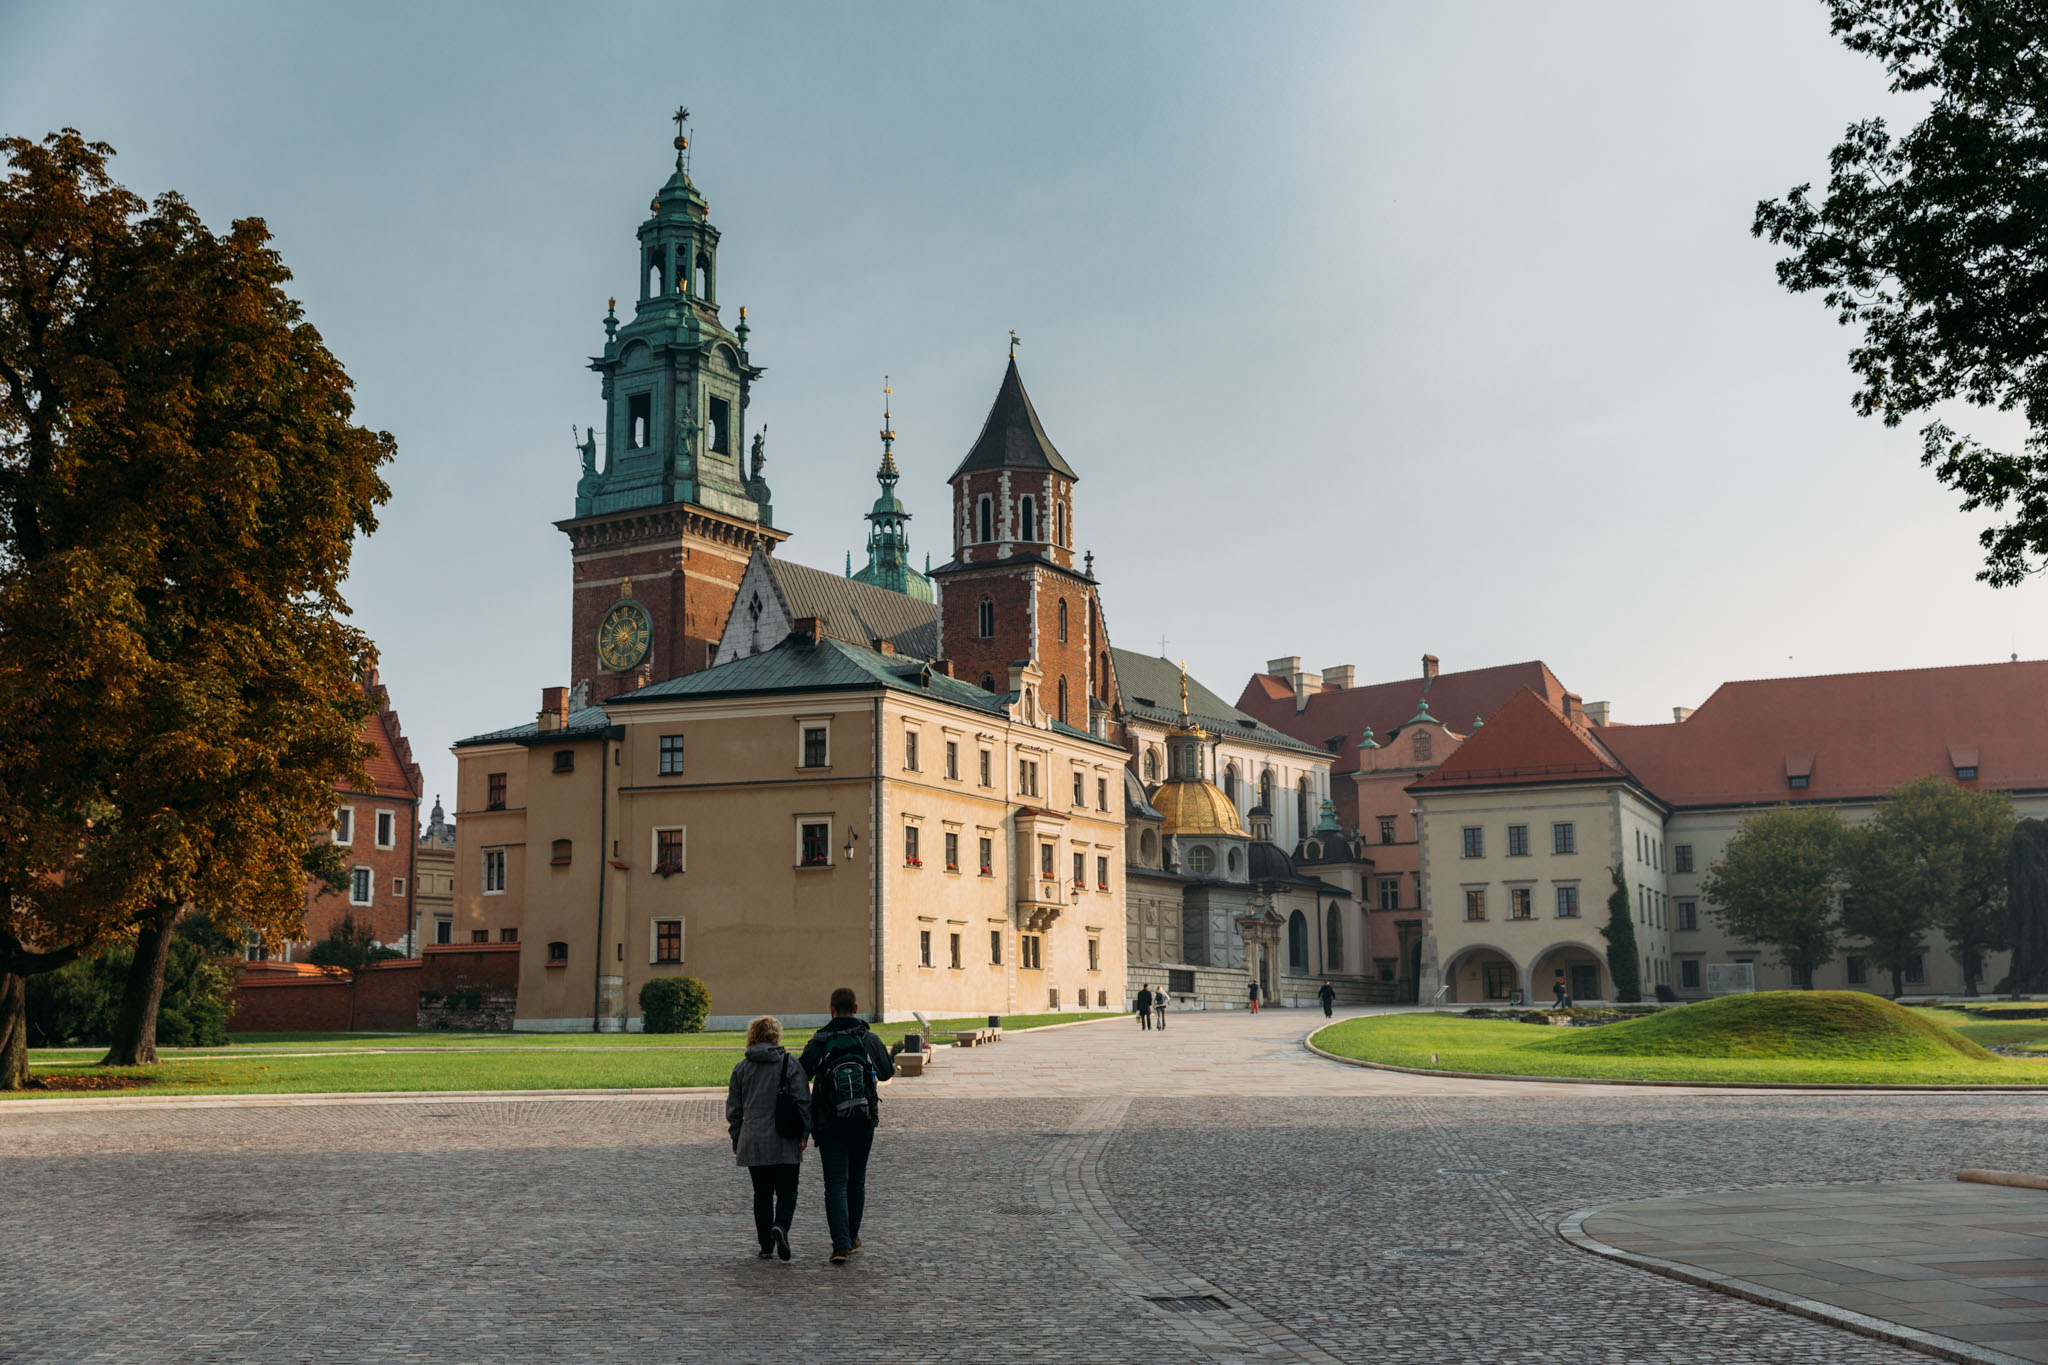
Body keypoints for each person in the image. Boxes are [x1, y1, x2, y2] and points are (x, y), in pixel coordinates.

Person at [799, 986, 896, 1265]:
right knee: (856, 1180)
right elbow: (888, 1072)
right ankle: (852, 1237)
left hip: (828, 1121)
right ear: (856, 1009)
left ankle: (840, 1244)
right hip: (863, 1120)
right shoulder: (868, 1038)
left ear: (831, 1009)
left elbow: (801, 1073)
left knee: (835, 1183)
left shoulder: (820, 1040)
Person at [725, 1015, 810, 1262]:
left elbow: (734, 1110)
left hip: (753, 1138)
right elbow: (803, 1100)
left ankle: (765, 1245)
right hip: (785, 1137)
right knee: (788, 1189)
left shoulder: (741, 1068)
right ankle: (781, 1226)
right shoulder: (789, 1064)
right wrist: (805, 1132)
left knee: (761, 1193)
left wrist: (736, 1138)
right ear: (776, 1035)